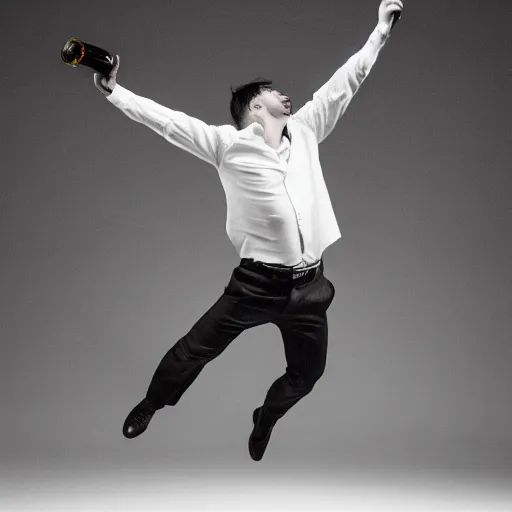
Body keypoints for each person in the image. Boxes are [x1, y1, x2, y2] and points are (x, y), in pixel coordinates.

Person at [94, 0, 404, 461]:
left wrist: (379, 32)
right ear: (256, 107)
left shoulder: (305, 130)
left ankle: (266, 418)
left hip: (310, 285)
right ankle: (152, 403)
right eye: (275, 93)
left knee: (307, 376)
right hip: (255, 284)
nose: (286, 96)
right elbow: (168, 123)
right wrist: (114, 91)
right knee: (191, 350)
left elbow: (346, 83)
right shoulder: (227, 145)